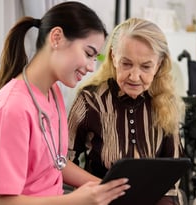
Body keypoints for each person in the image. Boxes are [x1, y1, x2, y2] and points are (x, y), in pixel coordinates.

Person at [0, 2, 130, 205]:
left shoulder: (53, 92)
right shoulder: (11, 109)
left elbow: (57, 162)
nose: (90, 67)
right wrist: (75, 201)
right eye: (88, 53)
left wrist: (110, 188)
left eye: (96, 58)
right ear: (57, 38)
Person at [68, 18, 186, 205]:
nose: (134, 76)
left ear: (159, 64)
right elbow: (64, 162)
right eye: (126, 63)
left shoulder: (166, 101)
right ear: (113, 57)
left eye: (146, 66)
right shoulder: (90, 100)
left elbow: (171, 174)